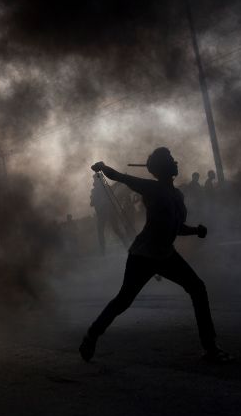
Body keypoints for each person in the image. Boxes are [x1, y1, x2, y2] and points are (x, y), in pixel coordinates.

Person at [79, 148, 231, 363]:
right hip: (143, 255)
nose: (175, 162)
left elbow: (176, 228)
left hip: (166, 254)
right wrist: (103, 167)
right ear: (163, 168)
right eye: (170, 161)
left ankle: (210, 347)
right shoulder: (151, 188)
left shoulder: (177, 195)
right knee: (123, 301)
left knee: (198, 288)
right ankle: (91, 335)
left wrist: (196, 230)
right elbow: (120, 177)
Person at [90, 173, 122, 254]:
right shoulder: (104, 188)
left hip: (105, 212)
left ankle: (103, 250)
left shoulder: (98, 190)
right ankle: (126, 244)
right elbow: (92, 203)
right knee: (114, 229)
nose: (94, 181)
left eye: (95, 179)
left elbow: (92, 203)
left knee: (103, 230)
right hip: (106, 211)